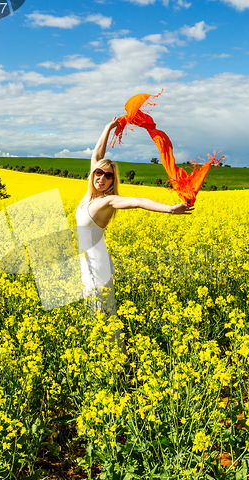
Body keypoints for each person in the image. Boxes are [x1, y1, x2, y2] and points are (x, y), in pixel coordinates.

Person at [75, 117, 193, 356]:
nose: (102, 177)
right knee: (93, 310)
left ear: (112, 181)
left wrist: (170, 209)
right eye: (99, 173)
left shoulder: (107, 201)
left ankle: (117, 361)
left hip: (97, 263)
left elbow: (138, 202)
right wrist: (108, 127)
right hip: (85, 260)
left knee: (103, 311)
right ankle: (103, 356)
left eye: (108, 176)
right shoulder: (90, 196)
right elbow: (97, 153)